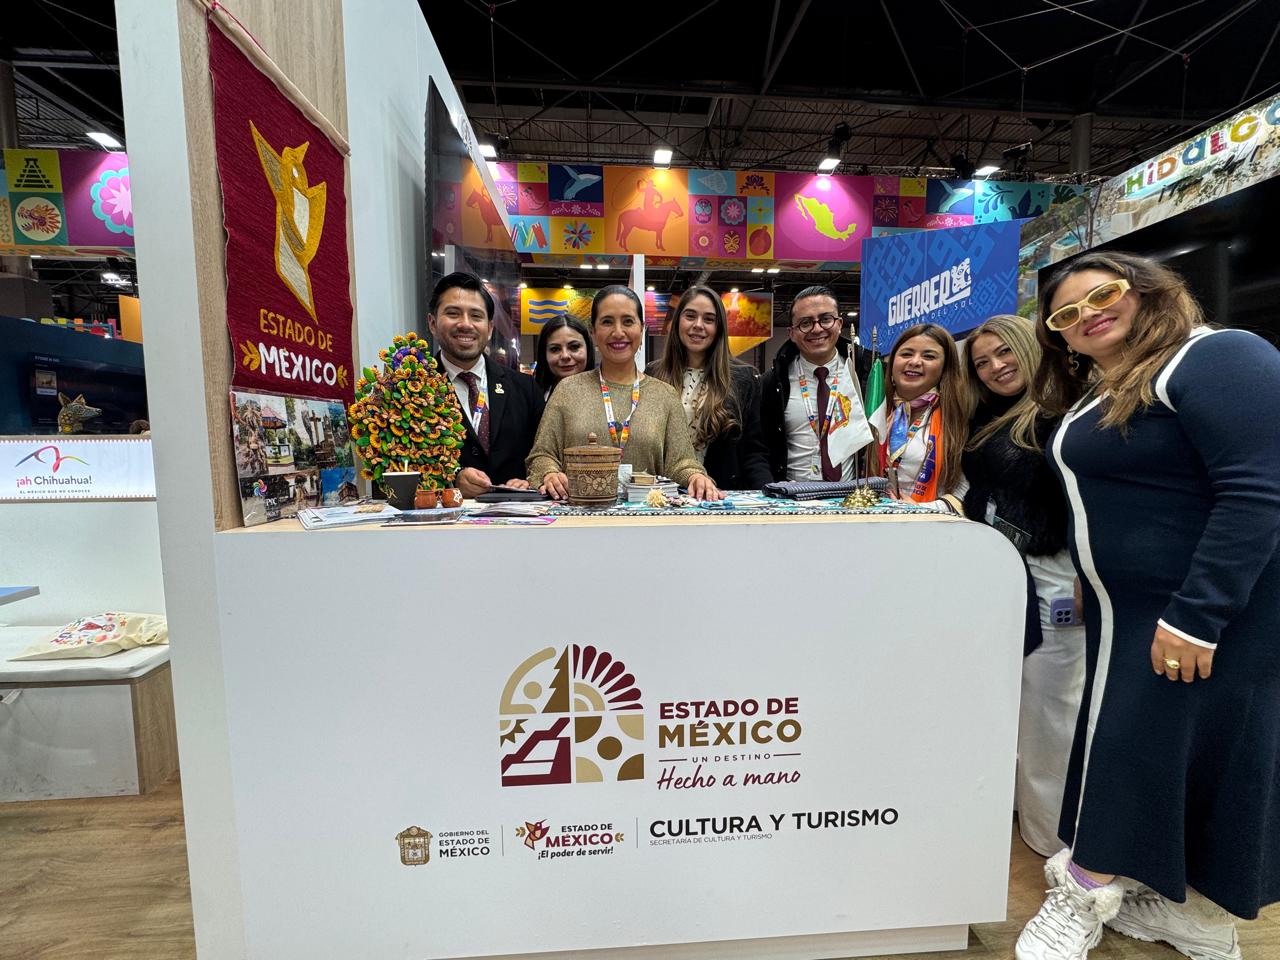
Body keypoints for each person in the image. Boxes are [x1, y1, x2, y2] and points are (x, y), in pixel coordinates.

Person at [1015, 251, 1280, 960]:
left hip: (1199, 610)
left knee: (1146, 748)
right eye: (1066, 315)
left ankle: (1083, 892)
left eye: (1101, 295)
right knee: (1166, 752)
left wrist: (1199, 613)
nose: (1087, 316)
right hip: (1132, 611)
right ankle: (1185, 910)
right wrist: (1090, 571)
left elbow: (1258, 490)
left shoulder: (1220, 356)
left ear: (1145, 289)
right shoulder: (1110, 386)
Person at [961, 314, 1084, 859]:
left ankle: (1053, 837)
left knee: (1052, 708)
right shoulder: (994, 413)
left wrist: (1084, 571)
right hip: (1003, 570)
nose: (995, 367)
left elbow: (1088, 503)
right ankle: (1025, 813)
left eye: (1004, 352)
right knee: (1017, 699)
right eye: (982, 362)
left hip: (1055, 575)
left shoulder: (1067, 412)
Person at [526, 285, 720, 501]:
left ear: (642, 329)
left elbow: (680, 462)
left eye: (628, 321)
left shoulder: (664, 395)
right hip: (580, 513)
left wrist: (695, 476)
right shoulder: (568, 390)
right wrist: (549, 473)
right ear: (593, 331)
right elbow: (541, 455)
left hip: (646, 515)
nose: (618, 332)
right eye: (607, 322)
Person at [427, 272, 544, 499]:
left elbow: (544, 454)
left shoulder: (525, 388)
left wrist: (532, 479)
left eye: (476, 316)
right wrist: (451, 479)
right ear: (432, 323)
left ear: (489, 328)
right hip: (444, 518)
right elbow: (396, 467)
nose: (465, 324)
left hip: (517, 515)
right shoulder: (411, 390)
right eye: (453, 313)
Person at [646, 285, 772, 490]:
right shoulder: (653, 373)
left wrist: (768, 495)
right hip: (662, 495)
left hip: (720, 496)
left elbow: (753, 452)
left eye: (709, 319)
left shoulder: (743, 379)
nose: (698, 325)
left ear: (719, 327)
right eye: (690, 316)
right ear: (677, 321)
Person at [761, 285, 873, 482]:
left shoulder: (865, 373)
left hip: (852, 495)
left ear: (839, 324)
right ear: (791, 333)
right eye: (805, 323)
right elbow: (759, 448)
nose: (817, 329)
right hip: (791, 495)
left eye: (826, 319)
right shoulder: (772, 383)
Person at [872, 322, 967, 511]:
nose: (915, 362)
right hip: (874, 518)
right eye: (906, 354)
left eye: (929, 356)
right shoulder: (875, 411)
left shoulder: (960, 416)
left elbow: (967, 492)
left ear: (945, 368)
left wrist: (921, 510)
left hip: (932, 522)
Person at [534, 315, 595, 400]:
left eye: (574, 347)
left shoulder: (605, 394)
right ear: (544, 354)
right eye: (555, 349)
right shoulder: (531, 396)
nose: (565, 356)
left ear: (588, 349)